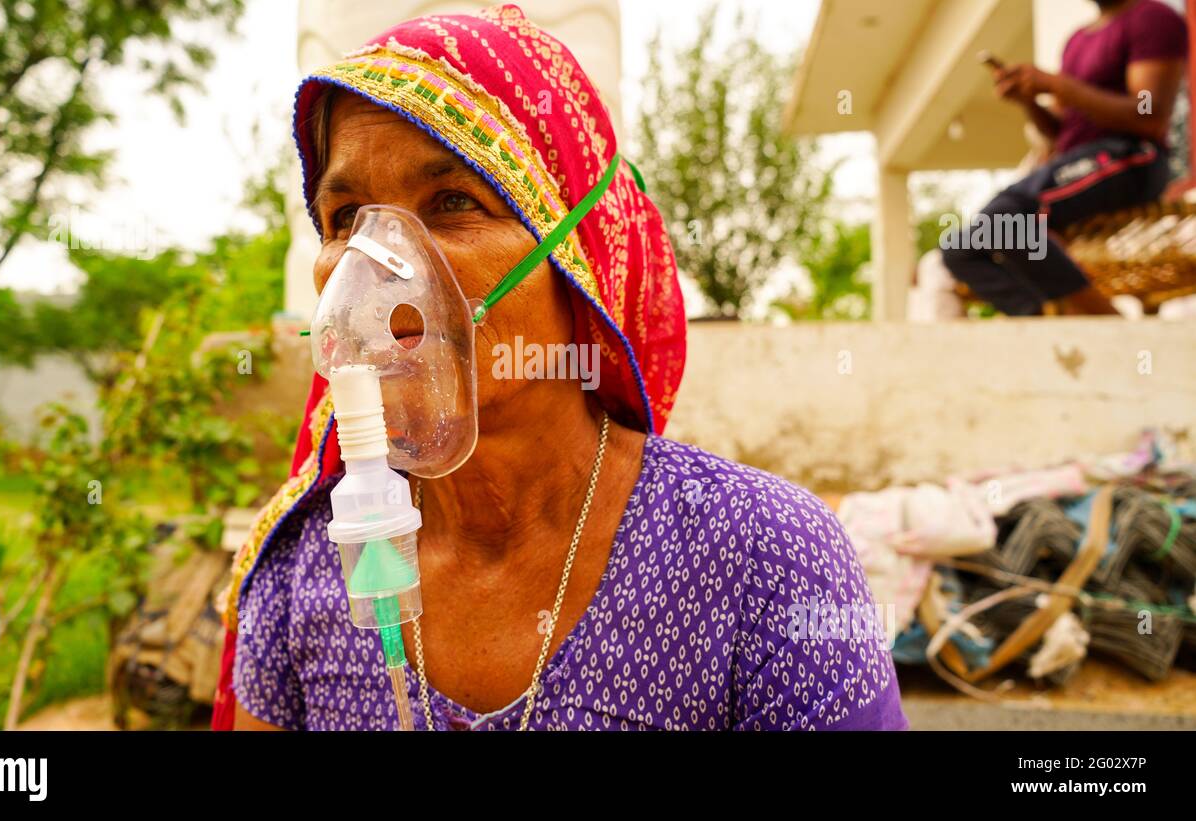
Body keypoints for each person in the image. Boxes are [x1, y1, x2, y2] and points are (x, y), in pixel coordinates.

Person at [213, 3, 906, 731]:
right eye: (346, 218)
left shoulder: (766, 558)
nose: (374, 268)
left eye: (453, 202)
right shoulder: (300, 573)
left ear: (579, 255)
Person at [943, 0, 1189, 316]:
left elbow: (1148, 114)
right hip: (1077, 165)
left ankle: (1110, 326)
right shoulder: (1077, 41)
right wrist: (1029, 101)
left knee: (1005, 218)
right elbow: (1061, 133)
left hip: (1132, 158)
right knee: (961, 251)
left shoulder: (1152, 18)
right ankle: (1049, 327)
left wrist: (1056, 84)